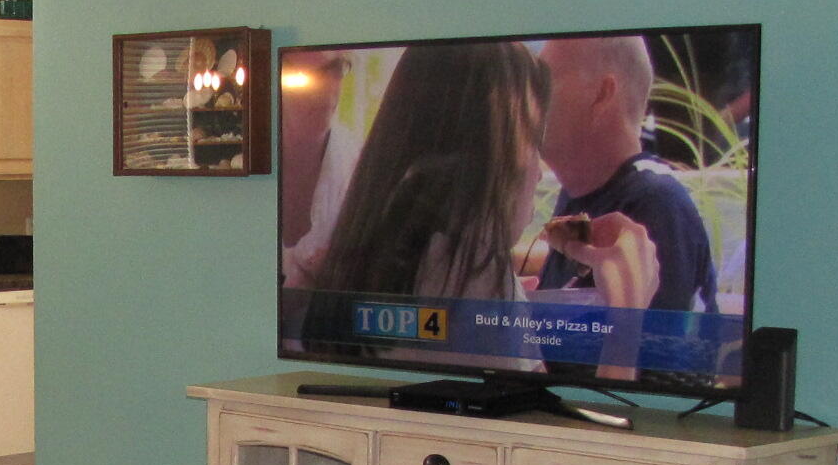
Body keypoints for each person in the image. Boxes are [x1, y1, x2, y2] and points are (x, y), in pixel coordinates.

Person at [300, 41, 550, 363]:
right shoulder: (479, 279)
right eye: (531, 139)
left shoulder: (377, 254)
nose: (538, 170)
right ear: (487, 152)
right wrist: (627, 287)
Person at [530, 34, 716, 313]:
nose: (529, 99)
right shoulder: (584, 191)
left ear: (601, 94)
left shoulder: (656, 204)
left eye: (544, 82)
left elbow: (654, 351)